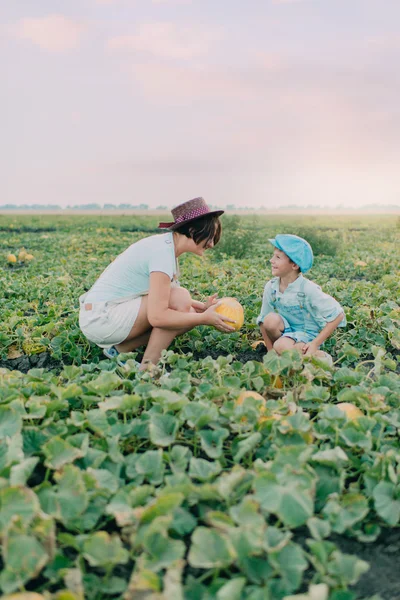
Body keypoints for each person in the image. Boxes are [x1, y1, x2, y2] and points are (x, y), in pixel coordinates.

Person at [79, 197, 235, 369]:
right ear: (192, 230)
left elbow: (164, 296)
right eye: (210, 237)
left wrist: (202, 308)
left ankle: (119, 350)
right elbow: (158, 315)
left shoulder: (165, 247)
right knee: (182, 303)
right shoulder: (162, 254)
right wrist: (203, 319)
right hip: (101, 318)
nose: (212, 244)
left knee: (187, 312)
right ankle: (148, 368)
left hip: (102, 313)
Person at [257, 234, 346, 360]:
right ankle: (286, 352)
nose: (271, 260)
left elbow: (338, 315)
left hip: (308, 334)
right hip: (288, 331)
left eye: (278, 257)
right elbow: (262, 320)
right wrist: (270, 351)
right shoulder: (271, 287)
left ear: (294, 265)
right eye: (273, 256)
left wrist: (315, 343)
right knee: (269, 320)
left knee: (282, 346)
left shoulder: (308, 289)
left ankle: (320, 356)